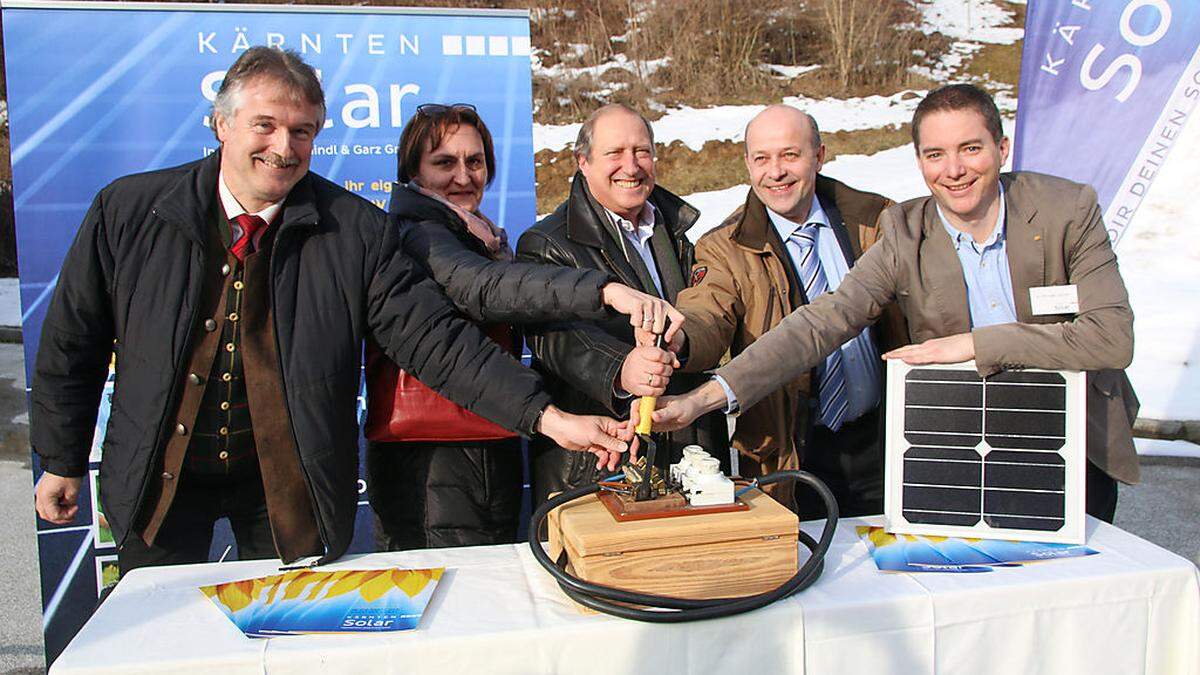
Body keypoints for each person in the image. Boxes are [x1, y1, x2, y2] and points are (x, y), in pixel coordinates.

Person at [29, 47, 631, 574]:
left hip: (287, 490)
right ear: (220, 123)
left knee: (289, 644)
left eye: (302, 131)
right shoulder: (128, 212)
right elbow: (73, 343)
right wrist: (60, 459)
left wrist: (552, 420)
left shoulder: (356, 232)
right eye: (264, 125)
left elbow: (436, 342)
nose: (283, 147)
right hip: (157, 481)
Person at [647, 84, 1138, 522]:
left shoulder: (1065, 211)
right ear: (920, 160)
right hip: (964, 451)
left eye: (971, 148)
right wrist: (704, 398)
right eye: (935, 154)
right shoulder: (905, 231)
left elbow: (1110, 340)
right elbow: (820, 323)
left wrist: (973, 345)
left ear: (1002, 148)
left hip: (1070, 444)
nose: (954, 170)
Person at [368, 103, 682, 550]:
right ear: (412, 171)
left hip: (490, 437)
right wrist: (606, 292)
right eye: (444, 163)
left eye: (474, 162)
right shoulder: (417, 234)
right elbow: (484, 287)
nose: (463, 176)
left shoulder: (478, 236)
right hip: (432, 461)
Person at [670, 105, 903, 517]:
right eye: (762, 158)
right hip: (790, 454)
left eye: (790, 155)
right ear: (747, 164)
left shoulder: (877, 220)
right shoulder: (724, 247)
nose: (775, 172)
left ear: (819, 155)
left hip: (885, 441)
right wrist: (681, 340)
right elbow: (706, 314)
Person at [516, 103, 728, 506]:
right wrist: (620, 368)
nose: (630, 166)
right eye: (614, 153)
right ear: (583, 162)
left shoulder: (679, 231)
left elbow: (707, 314)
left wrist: (688, 340)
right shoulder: (546, 244)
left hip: (691, 449)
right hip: (600, 461)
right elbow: (555, 337)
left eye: (642, 151)